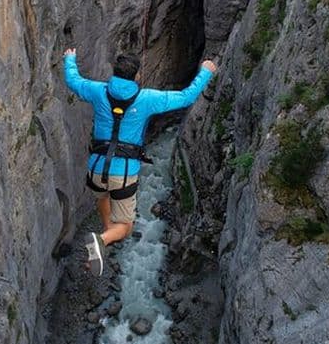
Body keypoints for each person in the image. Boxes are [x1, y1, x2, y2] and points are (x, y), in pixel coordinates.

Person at [63, 48, 217, 276]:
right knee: (125, 228)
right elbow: (186, 97)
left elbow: (73, 80)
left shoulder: (97, 91)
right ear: (136, 76)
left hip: (96, 168)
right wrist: (206, 71)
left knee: (102, 196)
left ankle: (104, 238)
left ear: (114, 73)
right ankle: (103, 239)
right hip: (123, 172)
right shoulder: (147, 99)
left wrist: (69, 59)